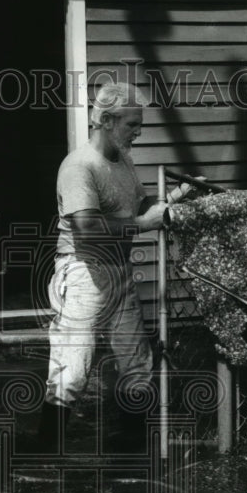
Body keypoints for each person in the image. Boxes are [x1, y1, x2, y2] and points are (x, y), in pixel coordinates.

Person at [34, 82, 195, 453]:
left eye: (140, 124)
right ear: (106, 120)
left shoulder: (122, 161)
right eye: (131, 124)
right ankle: (46, 452)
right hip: (83, 271)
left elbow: (140, 208)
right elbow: (87, 231)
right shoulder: (79, 167)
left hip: (118, 270)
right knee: (73, 367)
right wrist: (145, 224)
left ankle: (130, 448)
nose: (138, 132)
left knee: (137, 360)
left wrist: (177, 197)